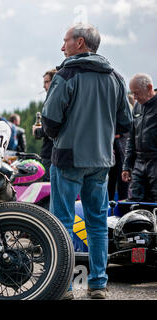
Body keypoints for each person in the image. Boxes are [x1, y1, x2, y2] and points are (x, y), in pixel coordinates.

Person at [42, 23, 132, 300]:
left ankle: (65, 287)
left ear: (79, 43)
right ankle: (97, 284)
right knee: (96, 223)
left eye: (65, 40)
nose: (62, 46)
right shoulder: (116, 77)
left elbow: (50, 120)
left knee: (63, 223)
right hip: (102, 160)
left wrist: (60, 135)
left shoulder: (66, 73)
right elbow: (126, 122)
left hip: (68, 157)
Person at [122, 73, 157, 202]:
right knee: (134, 199)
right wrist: (126, 166)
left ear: (149, 88)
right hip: (139, 161)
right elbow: (131, 138)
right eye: (133, 93)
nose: (134, 97)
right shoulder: (136, 106)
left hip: (155, 160)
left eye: (137, 93)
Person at [32, 69, 57, 181]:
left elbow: (51, 127)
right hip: (52, 152)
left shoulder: (54, 99)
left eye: (46, 82)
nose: (44, 86)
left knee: (48, 189)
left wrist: (37, 131)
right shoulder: (53, 99)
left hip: (51, 153)